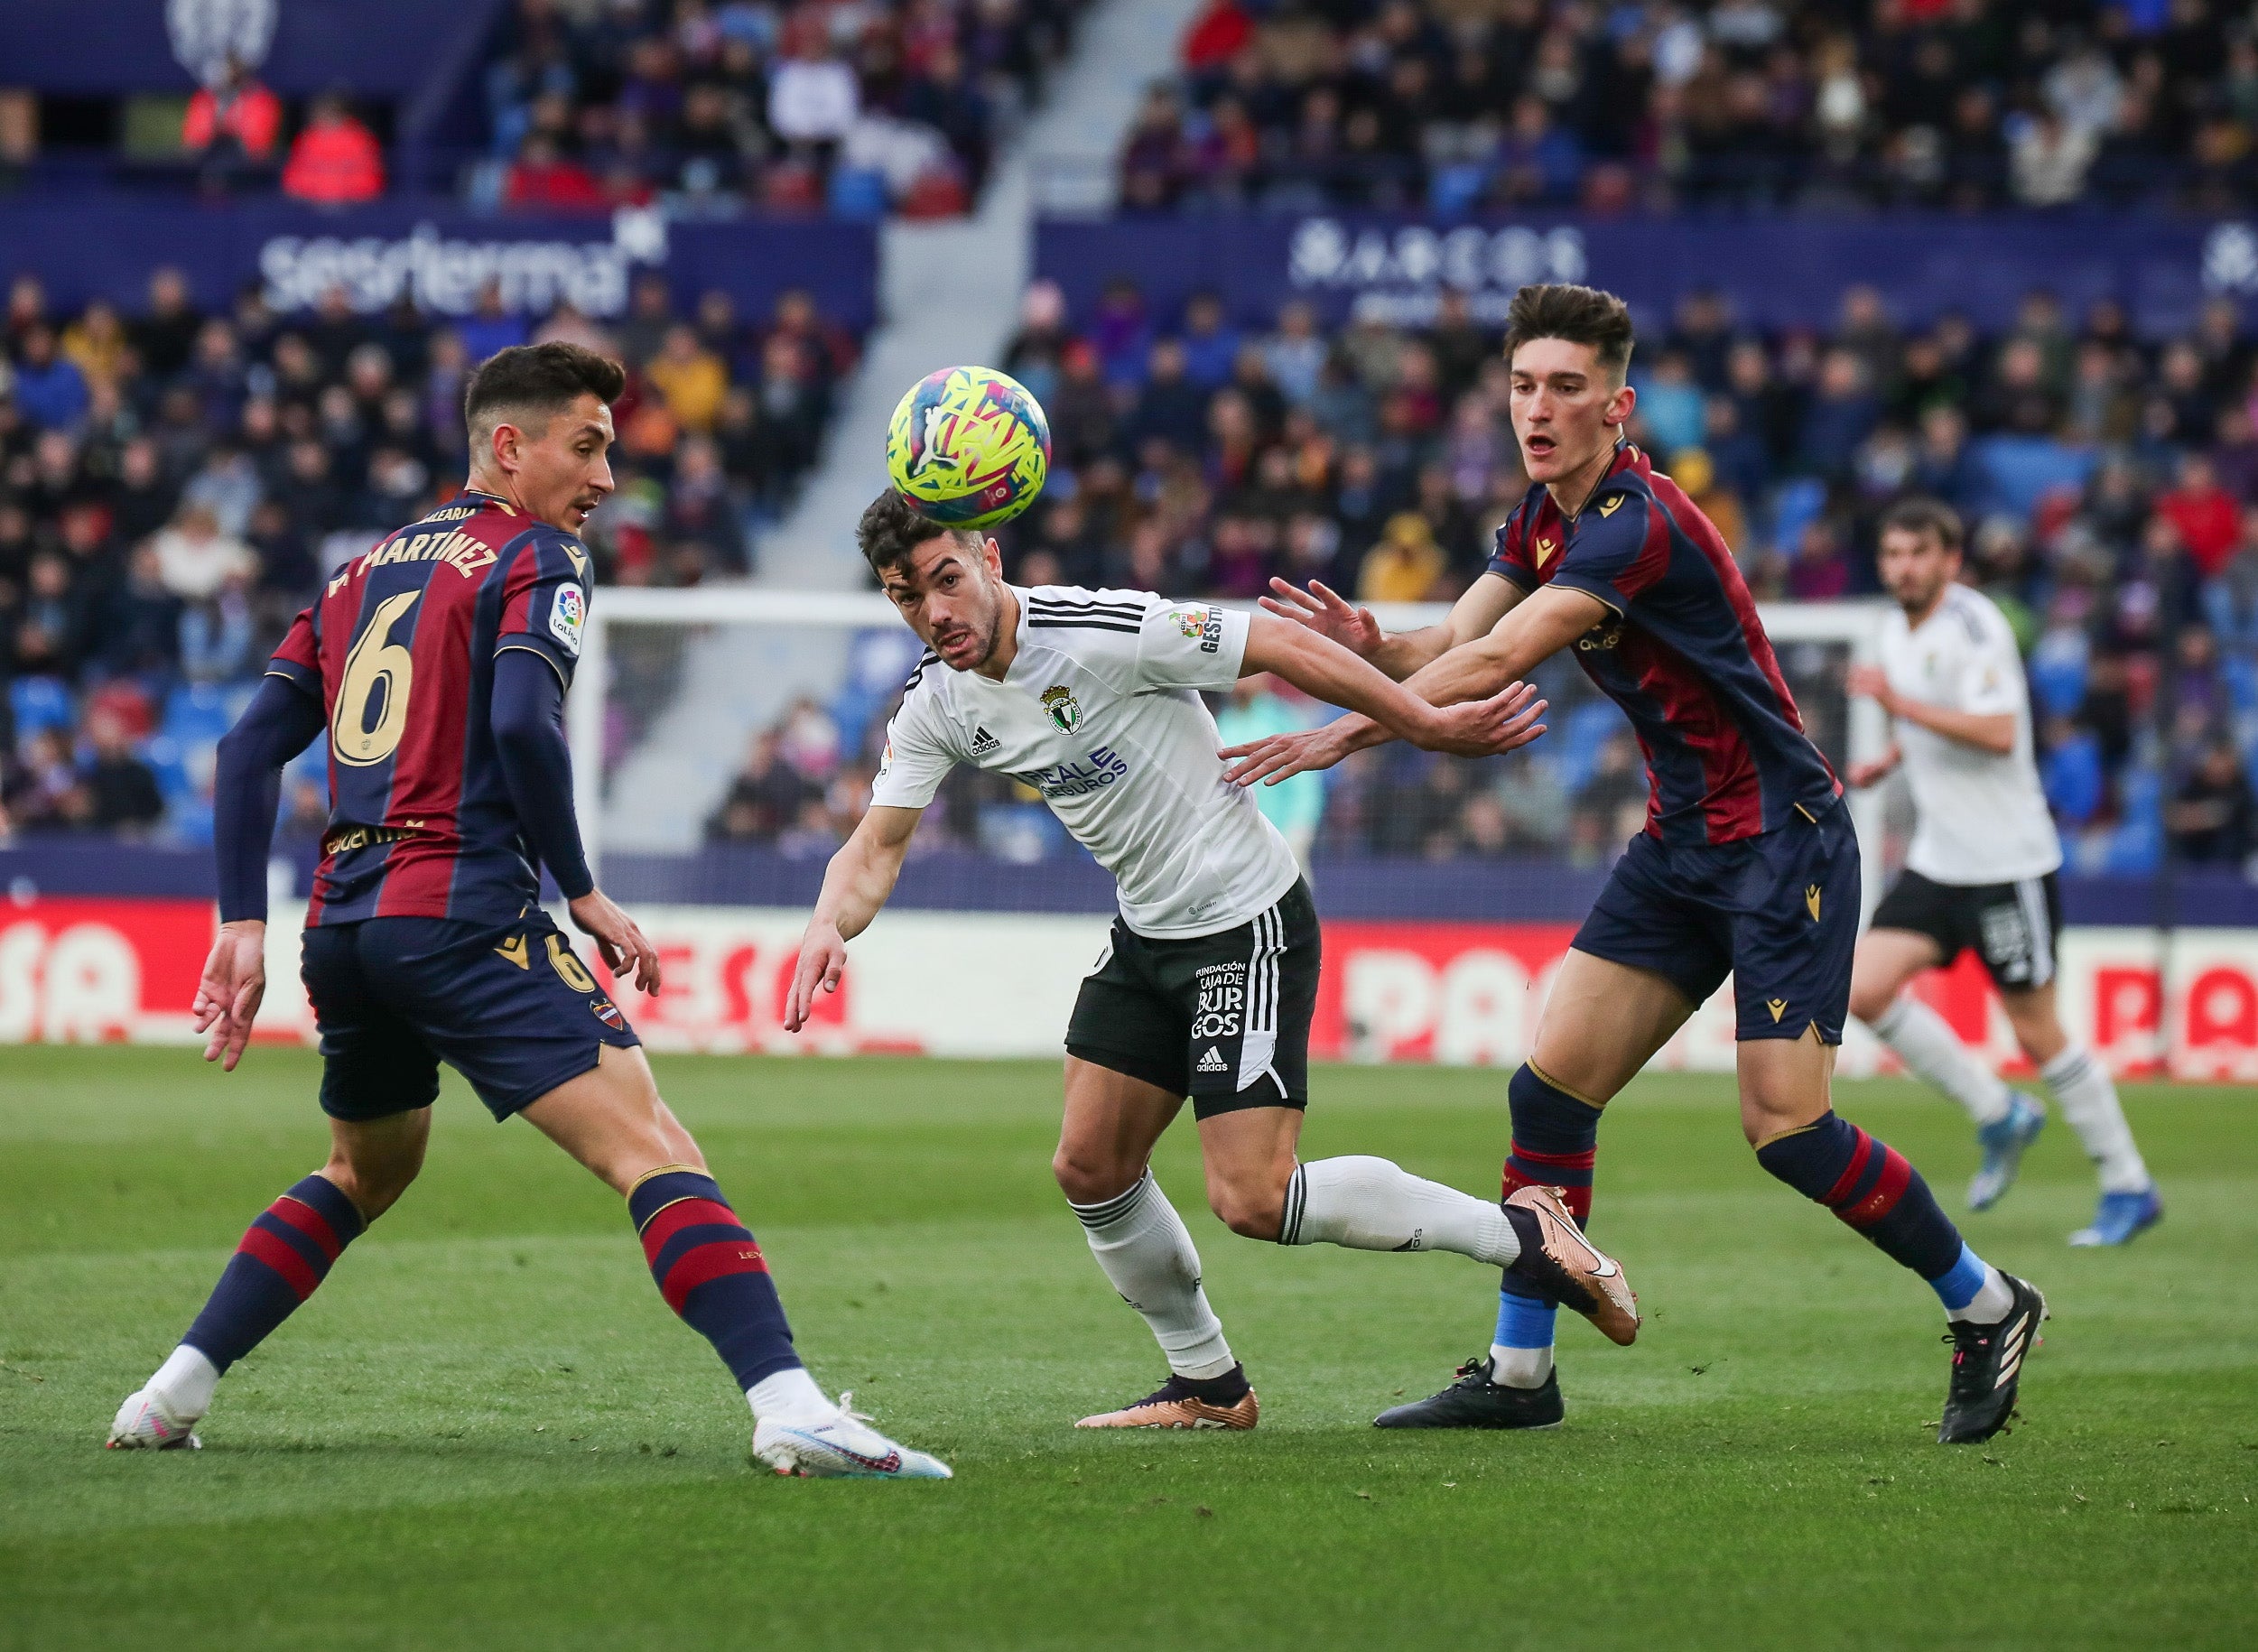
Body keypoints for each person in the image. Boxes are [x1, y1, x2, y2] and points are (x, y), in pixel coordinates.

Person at [107, 343, 946, 1480]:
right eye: (588, 446)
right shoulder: (535, 551)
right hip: (459, 909)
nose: (605, 478)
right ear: (511, 447)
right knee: (654, 1147)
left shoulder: (360, 574)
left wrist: (239, 924)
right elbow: (517, 725)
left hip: (343, 924)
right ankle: (789, 1402)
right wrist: (583, 890)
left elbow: (249, 745)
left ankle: (168, 1395)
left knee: (366, 1170)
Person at [1232, 284, 2043, 1446]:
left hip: (1780, 843)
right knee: (1548, 1088)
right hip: (1682, 843)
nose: (1538, 408)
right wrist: (1374, 648)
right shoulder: (1538, 516)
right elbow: (1450, 640)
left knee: (1789, 1134)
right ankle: (1520, 1377)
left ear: (1616, 405)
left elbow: (1508, 655)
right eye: (1521, 385)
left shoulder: (1633, 521)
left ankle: (1990, 1304)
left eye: (1565, 388)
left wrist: (1345, 730)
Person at [785, 490, 1633, 1433]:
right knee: (1089, 1165)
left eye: (944, 579)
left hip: (1244, 920)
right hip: (1146, 933)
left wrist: (1418, 722)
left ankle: (1522, 1231)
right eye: (905, 596)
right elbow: (876, 844)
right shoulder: (936, 702)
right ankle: (1208, 1386)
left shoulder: (1101, 628)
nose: (932, 611)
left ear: (988, 556)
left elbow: (1274, 639)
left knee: (1253, 1198)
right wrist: (828, 924)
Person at [1844, 499, 2161, 1248]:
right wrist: (1888, 756)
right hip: (1937, 858)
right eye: (1892, 555)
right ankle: (1997, 1113)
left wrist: (1899, 707)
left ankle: (2127, 1183)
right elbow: (1926, 720)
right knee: (1858, 987)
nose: (1903, 568)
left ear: (1950, 561)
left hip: (2004, 864)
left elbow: (1996, 732)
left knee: (2037, 1029)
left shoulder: (1975, 627)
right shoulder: (1893, 631)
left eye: (1918, 554)